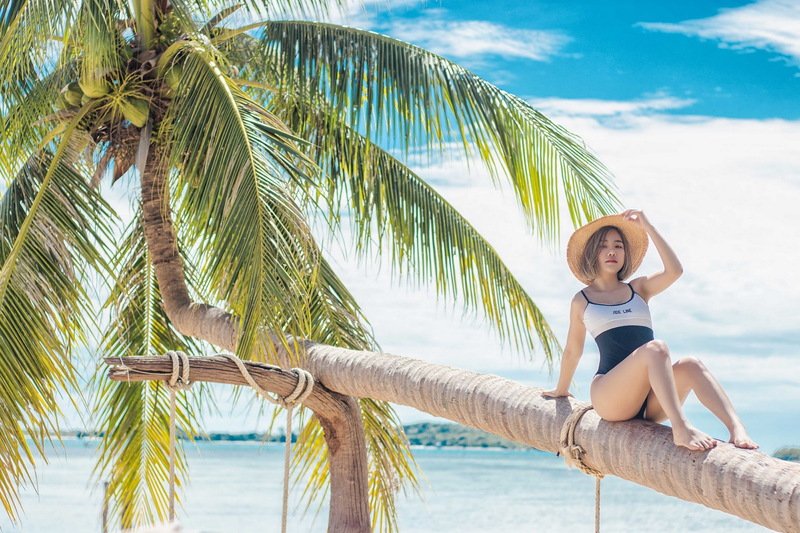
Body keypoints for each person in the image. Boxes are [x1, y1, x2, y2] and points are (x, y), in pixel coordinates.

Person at [543, 209, 758, 451]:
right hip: (611, 397)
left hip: (650, 401)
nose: (612, 251)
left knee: (691, 364)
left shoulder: (638, 289)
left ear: (625, 254)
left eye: (618, 246)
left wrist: (648, 227)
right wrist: (561, 390)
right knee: (656, 349)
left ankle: (737, 429)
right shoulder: (582, 300)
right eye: (603, 246)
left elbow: (674, 271)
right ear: (593, 253)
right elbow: (573, 351)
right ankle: (681, 427)